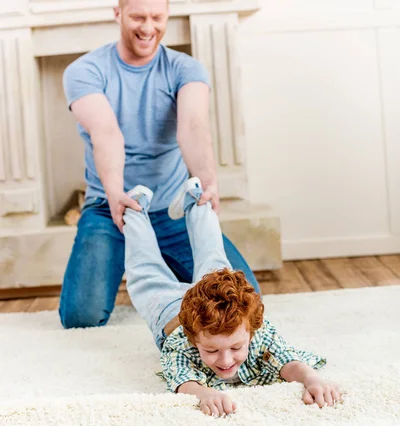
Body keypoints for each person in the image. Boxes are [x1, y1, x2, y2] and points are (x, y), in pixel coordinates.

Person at [59, 0, 260, 329]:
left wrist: (208, 183)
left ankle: (170, 294)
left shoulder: (185, 68)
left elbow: (192, 127)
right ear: (118, 14)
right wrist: (114, 196)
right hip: (111, 209)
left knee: (244, 301)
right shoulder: (85, 70)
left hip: (172, 210)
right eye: (138, 17)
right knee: (80, 317)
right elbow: (106, 133)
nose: (148, 27)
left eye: (157, 17)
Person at [124, 177, 341, 417]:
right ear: (195, 341)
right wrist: (204, 393)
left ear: (251, 332)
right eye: (211, 351)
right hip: (168, 310)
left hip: (215, 296)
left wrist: (312, 378)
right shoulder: (181, 345)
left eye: (236, 346)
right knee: (145, 271)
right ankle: (135, 209)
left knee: (213, 255)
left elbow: (288, 361)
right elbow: (182, 379)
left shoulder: (259, 331)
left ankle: (196, 201)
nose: (225, 360)